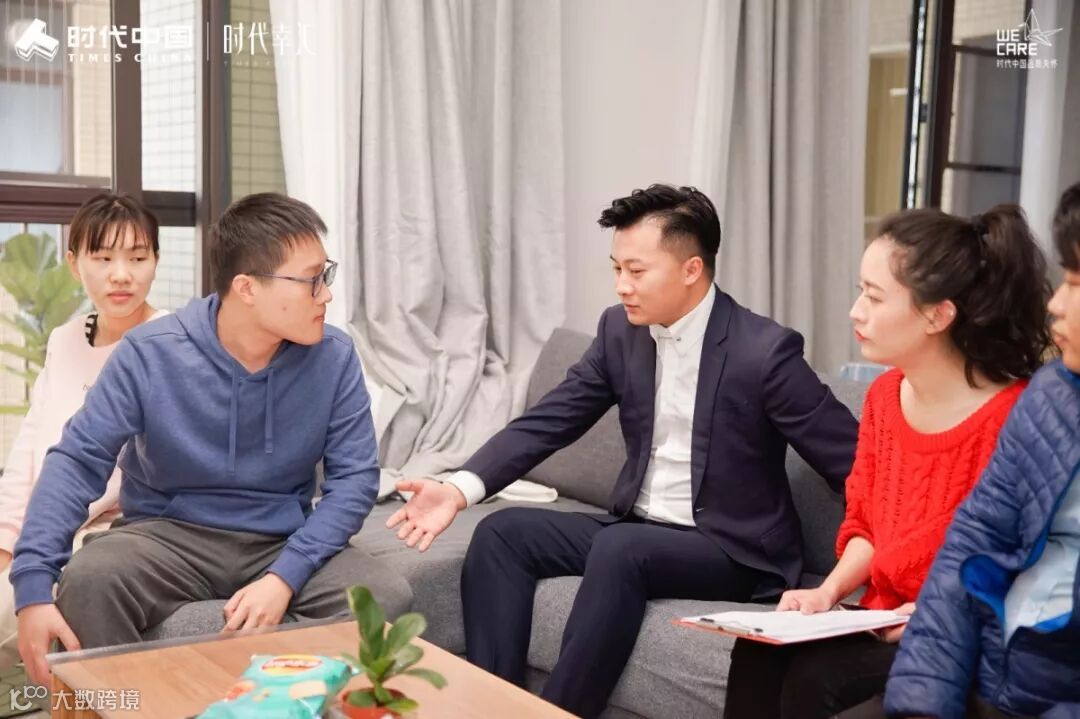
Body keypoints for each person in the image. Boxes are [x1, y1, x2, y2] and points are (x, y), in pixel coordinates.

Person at [386, 184, 860, 718]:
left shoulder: (764, 351)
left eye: (636, 271)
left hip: (733, 550)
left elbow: (853, 460)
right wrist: (457, 489)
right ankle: (497, 707)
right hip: (637, 528)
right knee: (502, 533)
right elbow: (551, 420)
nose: (621, 286)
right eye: (616, 269)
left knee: (623, 548)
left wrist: (885, 560)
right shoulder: (620, 331)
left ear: (691, 269)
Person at [11, 192, 412, 685]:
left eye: (324, 275)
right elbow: (78, 460)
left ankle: (272, 704)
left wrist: (285, 576)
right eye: (313, 280)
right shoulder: (150, 353)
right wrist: (32, 584)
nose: (325, 295)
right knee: (90, 581)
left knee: (383, 596)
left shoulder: (335, 356)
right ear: (247, 287)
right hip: (167, 538)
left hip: (279, 538)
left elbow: (354, 482)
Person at [722, 204, 1053, 719]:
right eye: (861, 291)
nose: (856, 311)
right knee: (758, 652)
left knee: (818, 680)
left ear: (938, 314)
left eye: (874, 297)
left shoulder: (1018, 419)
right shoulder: (883, 398)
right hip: (879, 618)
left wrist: (937, 611)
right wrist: (826, 593)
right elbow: (868, 526)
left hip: (960, 635)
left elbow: (1035, 564)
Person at [885, 183, 1080, 718]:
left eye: (1075, 282)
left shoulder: (1009, 402)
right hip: (998, 677)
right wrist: (923, 704)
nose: (1056, 304)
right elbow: (973, 541)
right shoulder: (1051, 397)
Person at [0, 192, 168, 667]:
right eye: (104, 258)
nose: (122, 274)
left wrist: (39, 540)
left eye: (138, 258)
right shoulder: (65, 338)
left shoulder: (167, 340)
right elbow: (30, 444)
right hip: (47, 520)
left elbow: (116, 469)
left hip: (110, 529)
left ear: (156, 261)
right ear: (75, 264)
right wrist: (6, 538)